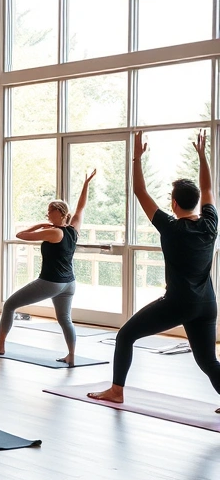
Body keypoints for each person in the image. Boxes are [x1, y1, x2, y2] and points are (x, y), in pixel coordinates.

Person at [90, 131, 220, 408]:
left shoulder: (171, 227)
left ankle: (116, 390)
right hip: (207, 303)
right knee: (208, 360)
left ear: (173, 203)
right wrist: (202, 155)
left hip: (178, 303)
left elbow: (140, 191)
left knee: (125, 336)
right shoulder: (210, 223)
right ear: (196, 202)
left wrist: (137, 157)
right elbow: (209, 189)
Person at [0, 169, 96, 366]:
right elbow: (81, 208)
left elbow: (21, 235)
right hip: (69, 283)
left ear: (59, 213)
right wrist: (86, 184)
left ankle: (0, 345)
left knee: (9, 305)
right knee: (65, 319)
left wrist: (39, 226)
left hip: (51, 282)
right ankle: (71, 355)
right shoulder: (73, 230)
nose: (47, 213)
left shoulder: (53, 233)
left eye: (50, 210)